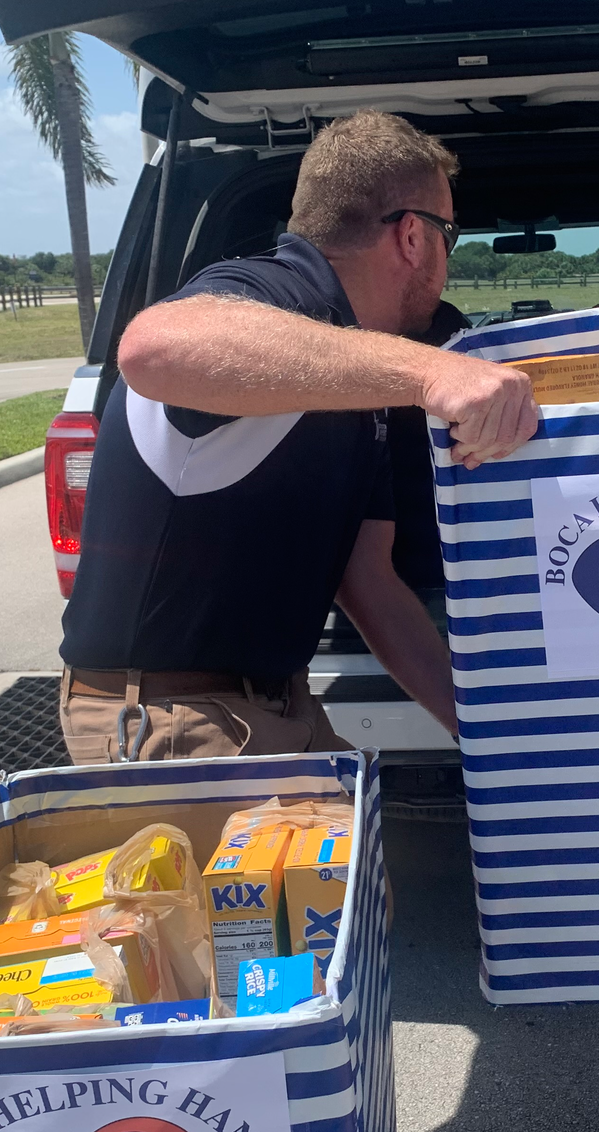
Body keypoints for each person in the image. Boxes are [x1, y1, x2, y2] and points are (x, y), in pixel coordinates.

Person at [58, 110, 538, 763]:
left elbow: (367, 579)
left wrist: (481, 729)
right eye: (449, 234)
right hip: (176, 720)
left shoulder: (353, 373)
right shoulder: (271, 293)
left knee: (367, 870)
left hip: (274, 706)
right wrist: (435, 370)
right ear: (412, 238)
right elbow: (150, 347)